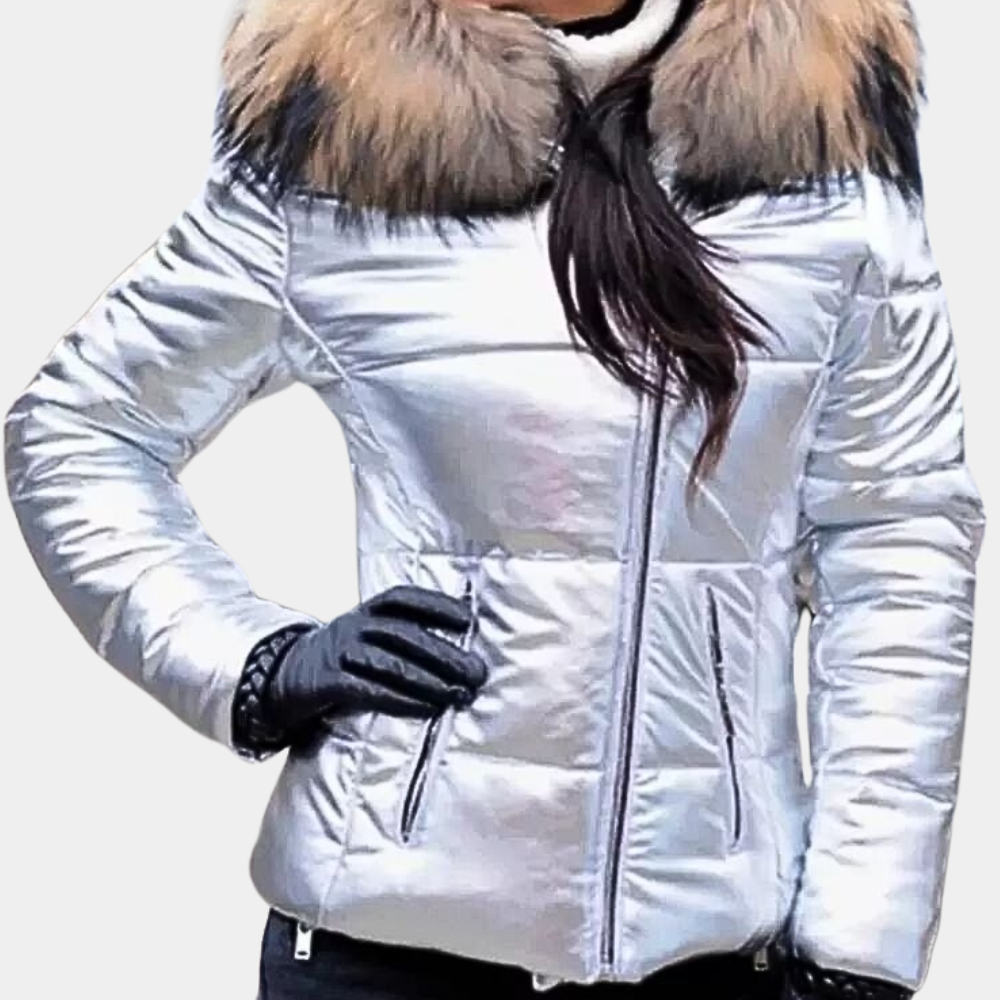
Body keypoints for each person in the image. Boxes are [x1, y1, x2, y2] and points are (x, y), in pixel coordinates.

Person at [4, 0, 986, 998]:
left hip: (715, 945)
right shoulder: (347, 145)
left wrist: (861, 937)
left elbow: (896, 535)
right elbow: (77, 427)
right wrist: (253, 662)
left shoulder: (819, 154)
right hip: (381, 937)